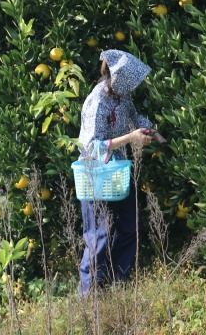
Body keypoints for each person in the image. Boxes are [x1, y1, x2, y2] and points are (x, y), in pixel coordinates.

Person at [76, 50, 166, 295]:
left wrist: (152, 131)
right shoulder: (97, 101)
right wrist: (130, 138)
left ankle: (115, 284)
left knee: (129, 226)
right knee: (100, 234)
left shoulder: (121, 96)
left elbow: (133, 116)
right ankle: (89, 294)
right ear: (115, 76)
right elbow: (91, 147)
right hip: (95, 174)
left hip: (117, 173)